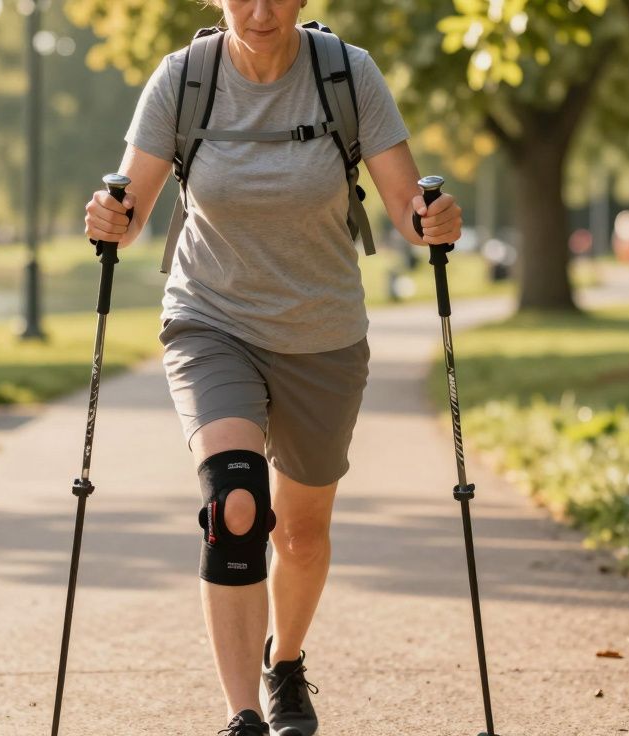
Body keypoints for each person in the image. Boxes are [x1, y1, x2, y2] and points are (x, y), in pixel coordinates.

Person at [82, 1, 461, 734]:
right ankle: (244, 716)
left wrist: (432, 220)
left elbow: (407, 205)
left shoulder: (347, 74)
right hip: (211, 322)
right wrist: (109, 218)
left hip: (323, 334)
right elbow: (129, 211)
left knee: (301, 537)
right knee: (236, 503)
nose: (260, 12)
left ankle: (283, 661)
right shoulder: (183, 79)